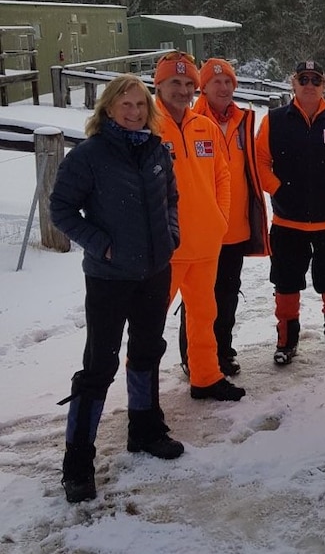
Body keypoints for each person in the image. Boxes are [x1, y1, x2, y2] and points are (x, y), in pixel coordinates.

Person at [50, 74, 185, 503]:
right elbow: (62, 209)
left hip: (154, 272)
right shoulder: (89, 156)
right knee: (99, 366)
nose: (134, 112)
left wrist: (171, 235)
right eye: (125, 105)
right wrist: (103, 245)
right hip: (109, 278)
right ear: (108, 109)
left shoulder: (157, 151)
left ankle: (144, 429)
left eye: (140, 106)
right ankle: (77, 462)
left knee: (147, 351)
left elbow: (172, 200)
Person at [256, 60, 325, 362]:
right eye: (304, 79)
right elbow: (260, 161)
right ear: (294, 83)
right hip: (288, 223)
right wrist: (278, 189)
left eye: (316, 79)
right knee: (286, 283)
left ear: (324, 85)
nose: (310, 85)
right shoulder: (275, 120)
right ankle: (286, 341)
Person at [155, 51, 245, 401]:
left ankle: (206, 377)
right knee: (150, 326)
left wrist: (219, 219)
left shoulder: (203, 126)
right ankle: (143, 399)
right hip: (165, 249)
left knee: (204, 315)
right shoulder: (147, 126)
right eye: (175, 83)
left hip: (206, 244)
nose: (183, 90)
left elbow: (222, 175)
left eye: (188, 83)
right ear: (158, 84)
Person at [177, 58, 269, 377]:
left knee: (227, 295)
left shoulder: (243, 120)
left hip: (234, 226)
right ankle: (194, 357)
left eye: (228, 81)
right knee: (198, 299)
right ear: (203, 86)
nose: (224, 87)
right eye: (216, 82)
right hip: (200, 229)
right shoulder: (192, 120)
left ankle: (223, 351)